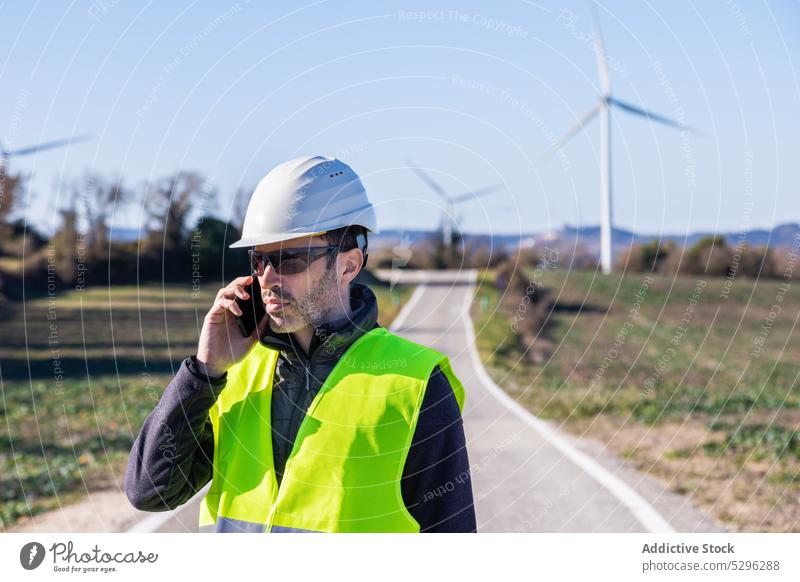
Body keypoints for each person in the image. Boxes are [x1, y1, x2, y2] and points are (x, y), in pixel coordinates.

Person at [125, 155, 476, 533]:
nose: (268, 279)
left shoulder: (415, 384)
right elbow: (150, 493)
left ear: (348, 265)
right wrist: (204, 370)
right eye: (259, 261)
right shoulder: (234, 375)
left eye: (290, 260)